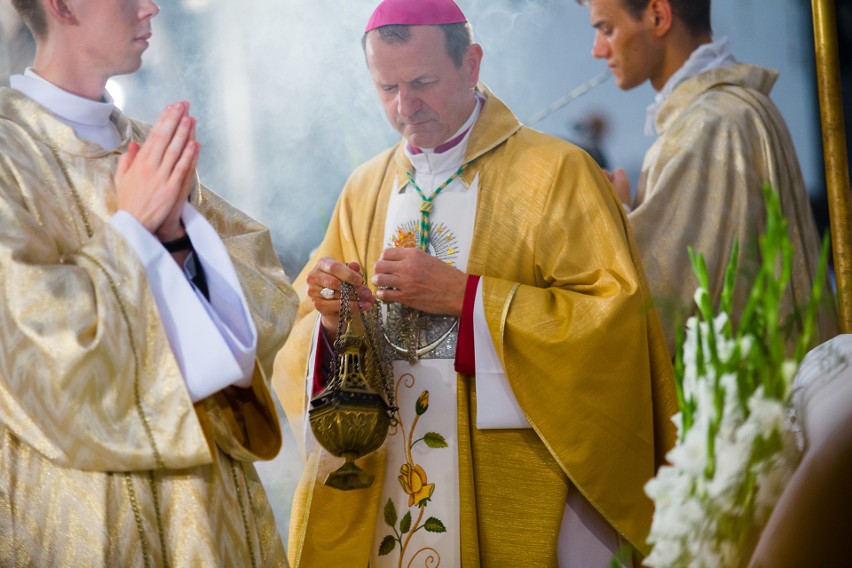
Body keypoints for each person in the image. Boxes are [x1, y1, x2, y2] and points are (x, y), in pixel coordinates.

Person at [273, 0, 676, 565]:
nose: (405, 107)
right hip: (396, 488)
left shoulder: (555, 173)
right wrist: (342, 323)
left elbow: (614, 326)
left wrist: (466, 298)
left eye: (423, 82)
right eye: (386, 88)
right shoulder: (364, 190)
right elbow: (296, 340)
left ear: (472, 64)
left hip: (527, 481)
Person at [0, 0, 298, 565]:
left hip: (207, 511)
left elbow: (269, 291)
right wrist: (134, 234)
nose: (150, 7)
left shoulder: (148, 144)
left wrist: (182, 243)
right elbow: (30, 342)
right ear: (62, 5)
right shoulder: (9, 156)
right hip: (89, 508)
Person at [578, 0, 837, 354]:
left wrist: (614, 211)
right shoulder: (736, 110)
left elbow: (651, 313)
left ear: (658, 15)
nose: (597, 50)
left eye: (606, 29)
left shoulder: (709, 127)